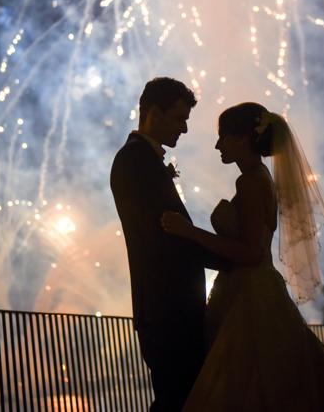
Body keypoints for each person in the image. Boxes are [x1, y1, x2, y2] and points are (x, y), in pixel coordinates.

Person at [161, 102, 324, 411]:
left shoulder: (252, 181)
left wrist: (190, 233)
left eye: (223, 137)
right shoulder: (257, 179)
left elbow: (252, 253)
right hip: (249, 292)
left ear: (243, 138)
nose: (217, 145)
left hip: (250, 296)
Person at [110, 77, 229, 412]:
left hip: (169, 308)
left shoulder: (142, 161)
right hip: (167, 309)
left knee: (182, 398)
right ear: (153, 113)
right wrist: (236, 257)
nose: (185, 130)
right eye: (179, 119)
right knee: (180, 399)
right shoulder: (136, 162)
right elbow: (168, 238)